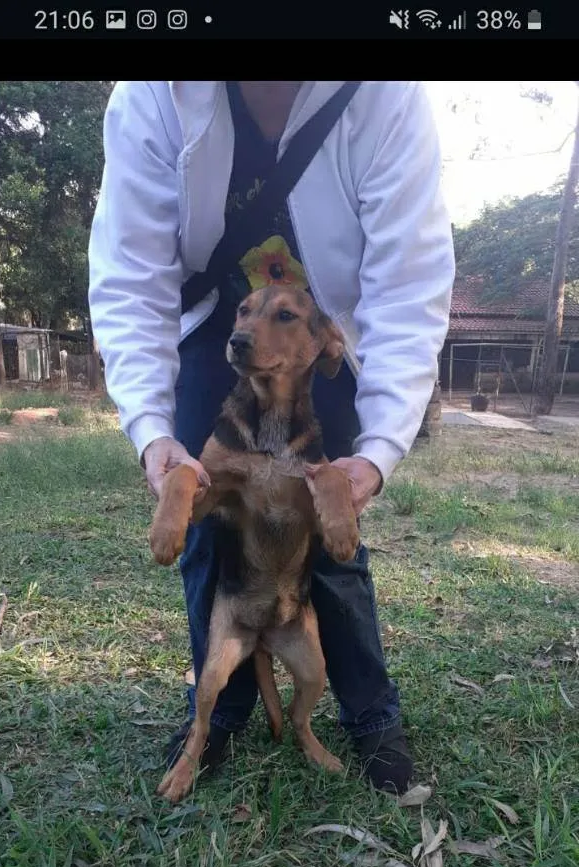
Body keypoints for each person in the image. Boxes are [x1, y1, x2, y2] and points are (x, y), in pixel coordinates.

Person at [89, 81, 455, 794]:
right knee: (204, 538)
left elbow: (408, 285)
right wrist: (152, 430)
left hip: (326, 324)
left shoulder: (386, 95)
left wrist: (376, 453)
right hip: (212, 329)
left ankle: (371, 714)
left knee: (339, 539)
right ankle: (217, 714)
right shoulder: (151, 94)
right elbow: (131, 271)